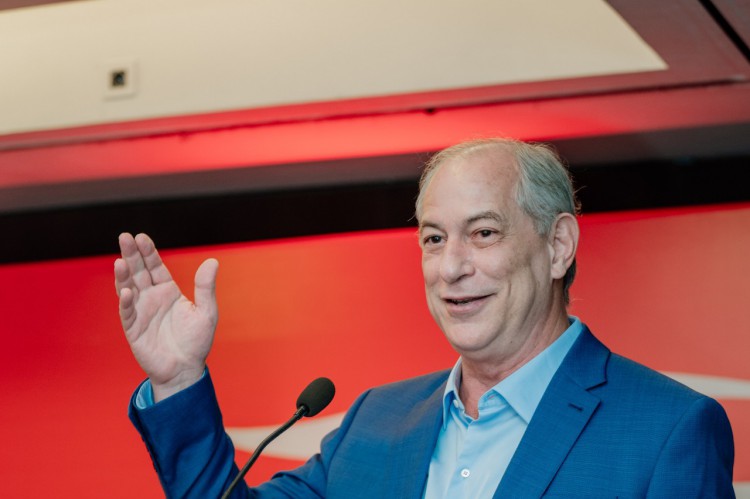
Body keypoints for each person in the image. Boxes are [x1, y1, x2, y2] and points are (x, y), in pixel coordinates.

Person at [115, 138, 735, 498]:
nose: (451, 267)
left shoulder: (669, 430)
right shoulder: (375, 422)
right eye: (433, 239)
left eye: (483, 233)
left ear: (558, 246)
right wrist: (177, 380)